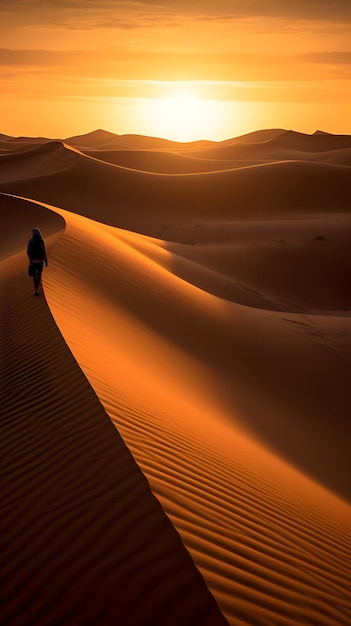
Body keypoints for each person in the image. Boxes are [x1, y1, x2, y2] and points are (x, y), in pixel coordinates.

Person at [27, 228, 48, 296]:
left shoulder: (31, 241)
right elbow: (43, 251)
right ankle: (37, 289)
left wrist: (30, 260)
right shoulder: (41, 241)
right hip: (40, 260)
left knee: (34, 275)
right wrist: (46, 260)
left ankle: (35, 289)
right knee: (39, 274)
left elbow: (28, 251)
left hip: (33, 261)